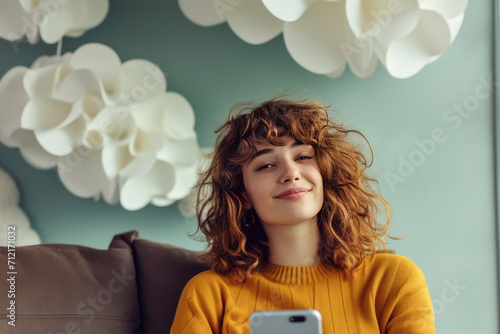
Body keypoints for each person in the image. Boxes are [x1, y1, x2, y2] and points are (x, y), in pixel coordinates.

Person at [170, 98, 436, 333]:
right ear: (243, 196)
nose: (290, 172)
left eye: (304, 156)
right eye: (266, 165)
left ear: (325, 173)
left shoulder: (392, 280)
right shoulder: (208, 295)